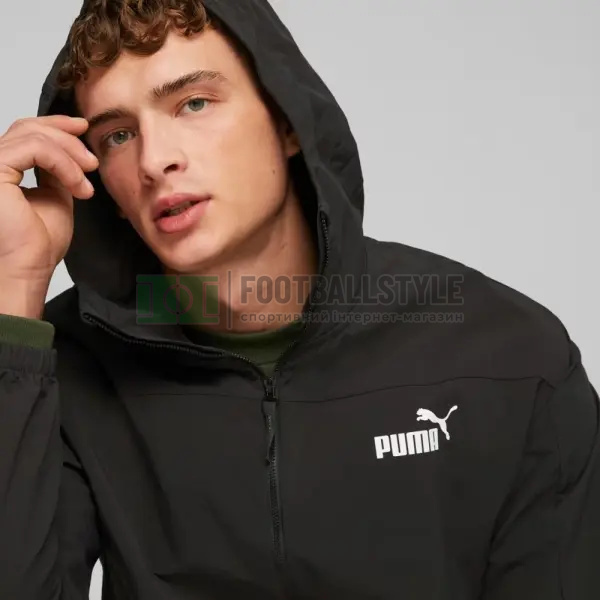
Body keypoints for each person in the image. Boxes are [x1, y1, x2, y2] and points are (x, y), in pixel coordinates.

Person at [0, 0, 598, 598]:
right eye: (118, 135)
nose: (154, 161)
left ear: (287, 120)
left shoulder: (509, 357)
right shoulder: (60, 365)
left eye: (194, 103)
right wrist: (16, 280)